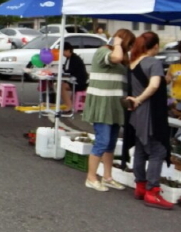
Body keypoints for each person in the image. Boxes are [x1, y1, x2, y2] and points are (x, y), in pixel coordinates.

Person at [82, 28, 136, 192]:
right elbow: (116, 57)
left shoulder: (121, 58)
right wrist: (117, 43)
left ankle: (107, 177)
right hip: (102, 104)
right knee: (102, 142)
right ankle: (91, 178)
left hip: (114, 106)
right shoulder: (103, 52)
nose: (130, 48)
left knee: (110, 144)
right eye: (129, 44)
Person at [125, 31, 173, 209]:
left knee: (140, 150)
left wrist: (136, 100)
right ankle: (152, 191)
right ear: (155, 46)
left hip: (136, 114)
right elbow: (153, 86)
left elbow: (143, 84)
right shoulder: (154, 62)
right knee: (157, 151)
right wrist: (140, 99)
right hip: (150, 113)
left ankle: (140, 186)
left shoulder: (133, 63)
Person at [60, 41, 88, 114]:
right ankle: (68, 103)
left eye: (63, 51)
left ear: (68, 50)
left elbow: (70, 71)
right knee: (60, 85)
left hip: (79, 82)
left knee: (62, 86)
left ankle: (69, 106)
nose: (62, 54)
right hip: (74, 80)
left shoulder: (75, 59)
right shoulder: (69, 58)